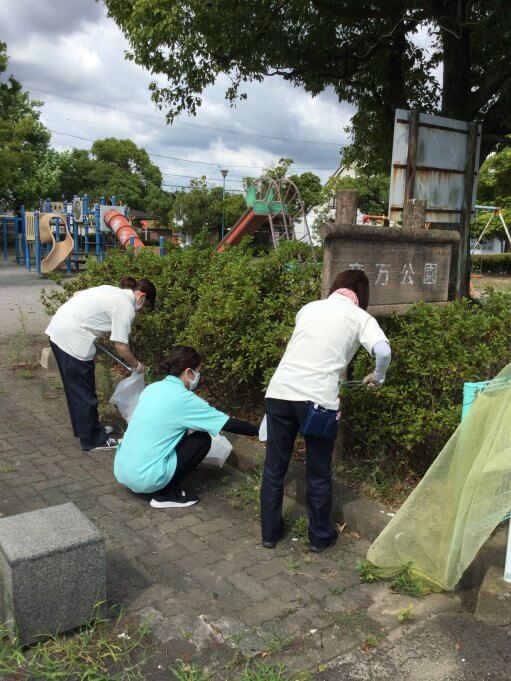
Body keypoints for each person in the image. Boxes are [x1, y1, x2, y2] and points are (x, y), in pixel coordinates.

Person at [261, 269, 391, 552]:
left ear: (336, 287)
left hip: (280, 392)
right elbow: (382, 351)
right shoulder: (360, 317)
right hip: (317, 402)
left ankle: (269, 534)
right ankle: (320, 536)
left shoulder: (309, 309)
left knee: (274, 467)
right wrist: (378, 378)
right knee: (318, 470)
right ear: (362, 295)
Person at [114, 345, 259, 508]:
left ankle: (161, 481)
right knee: (202, 439)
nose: (199, 376)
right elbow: (228, 424)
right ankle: (166, 494)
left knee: (183, 432)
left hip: (122, 470)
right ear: (188, 372)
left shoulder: (153, 388)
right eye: (198, 371)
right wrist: (262, 432)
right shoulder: (184, 398)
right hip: (145, 479)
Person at [45, 276, 156, 452]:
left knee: (74, 389)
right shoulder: (126, 307)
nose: (141, 310)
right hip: (72, 340)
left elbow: (78, 294)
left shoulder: (112, 290)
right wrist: (137, 365)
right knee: (84, 393)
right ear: (141, 296)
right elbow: (120, 345)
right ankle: (93, 440)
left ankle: (85, 430)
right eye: (145, 305)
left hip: (57, 331)